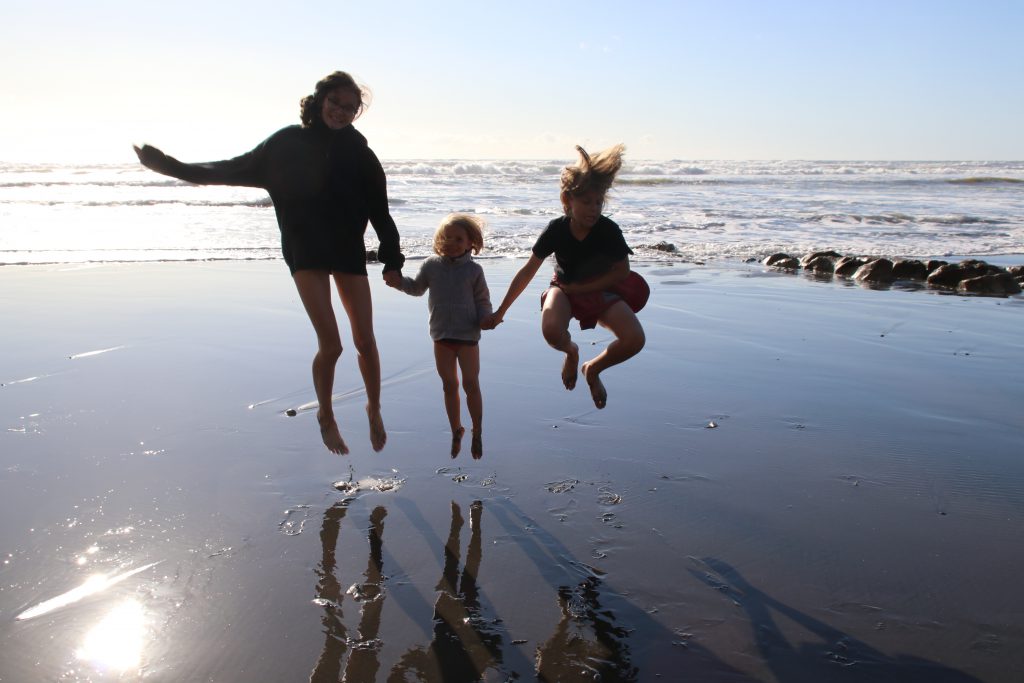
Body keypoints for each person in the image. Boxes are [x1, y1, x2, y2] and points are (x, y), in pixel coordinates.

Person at [133, 71, 404, 456]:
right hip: (305, 248)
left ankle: (374, 408)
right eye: (335, 103)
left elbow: (381, 211)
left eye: (350, 108)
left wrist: (392, 260)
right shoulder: (285, 145)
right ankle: (326, 414)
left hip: (346, 247)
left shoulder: (360, 154)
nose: (341, 112)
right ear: (320, 99)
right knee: (332, 344)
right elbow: (227, 169)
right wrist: (172, 167)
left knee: (365, 341)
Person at [481, 144, 648, 409]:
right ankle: (571, 353)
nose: (593, 209)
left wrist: (585, 288)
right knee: (550, 330)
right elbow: (527, 271)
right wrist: (500, 311)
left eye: (598, 202)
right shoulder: (556, 230)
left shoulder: (608, 230)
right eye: (586, 202)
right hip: (564, 288)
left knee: (635, 339)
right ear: (567, 200)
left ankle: (593, 369)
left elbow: (622, 271)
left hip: (601, 289)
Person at [389, 214, 492, 458]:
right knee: (449, 385)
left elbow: (482, 301)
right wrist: (397, 282)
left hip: (467, 336)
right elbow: (416, 288)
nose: (452, 243)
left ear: (470, 243)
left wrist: (486, 319)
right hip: (441, 336)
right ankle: (456, 429)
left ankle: (477, 431)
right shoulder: (431, 266)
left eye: (459, 239)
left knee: (470, 384)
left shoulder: (474, 270)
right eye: (447, 238)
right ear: (438, 240)